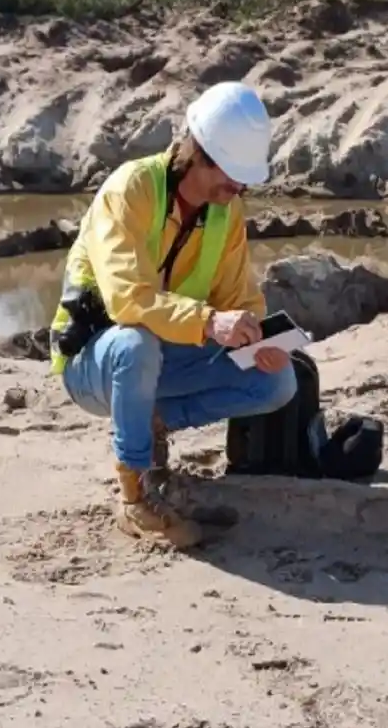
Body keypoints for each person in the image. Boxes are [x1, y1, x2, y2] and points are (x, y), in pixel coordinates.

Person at [47, 81, 297, 550]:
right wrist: (208, 323)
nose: (239, 186)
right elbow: (128, 301)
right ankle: (135, 496)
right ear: (200, 153)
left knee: (278, 383)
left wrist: (254, 335)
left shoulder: (226, 213)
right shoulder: (131, 190)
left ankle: (153, 420)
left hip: (164, 357)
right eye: (232, 173)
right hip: (93, 362)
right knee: (134, 344)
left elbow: (240, 298)